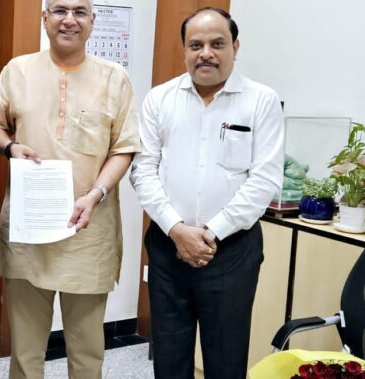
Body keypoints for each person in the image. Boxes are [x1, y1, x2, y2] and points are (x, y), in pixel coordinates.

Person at [0, 0, 140, 377]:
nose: (69, 19)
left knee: (87, 351)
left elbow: (124, 148)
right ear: (45, 18)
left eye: (80, 11)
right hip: (28, 232)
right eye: (60, 10)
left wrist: (95, 194)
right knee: (25, 351)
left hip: (88, 232)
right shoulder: (17, 70)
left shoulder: (114, 77)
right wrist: (10, 147)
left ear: (92, 21)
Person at [129, 7, 284, 379]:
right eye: (195, 45)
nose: (206, 53)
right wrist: (177, 229)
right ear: (184, 50)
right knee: (169, 356)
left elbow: (264, 180)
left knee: (226, 358)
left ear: (235, 46)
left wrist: (209, 233)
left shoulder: (261, 101)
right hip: (169, 246)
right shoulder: (159, 99)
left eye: (217, 43)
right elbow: (142, 171)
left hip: (232, 250)